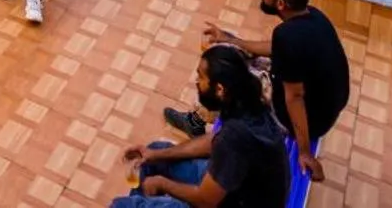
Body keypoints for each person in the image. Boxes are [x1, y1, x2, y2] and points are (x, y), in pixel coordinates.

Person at [164, 0, 351, 182]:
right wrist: (232, 40)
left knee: (221, 71)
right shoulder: (314, 16)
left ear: (281, 3)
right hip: (325, 106)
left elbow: (294, 97)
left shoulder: (288, 37)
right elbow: (276, 48)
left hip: (308, 116)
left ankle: (196, 121)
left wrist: (304, 151)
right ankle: (200, 116)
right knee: (229, 49)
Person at [114, 45, 289, 208]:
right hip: (235, 186)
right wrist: (155, 155)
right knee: (154, 153)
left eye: (201, 77)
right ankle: (143, 199)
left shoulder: (235, 138)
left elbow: (206, 200)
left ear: (220, 89)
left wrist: (162, 183)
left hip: (232, 201)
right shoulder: (247, 101)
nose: (197, 82)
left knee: (122, 206)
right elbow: (214, 140)